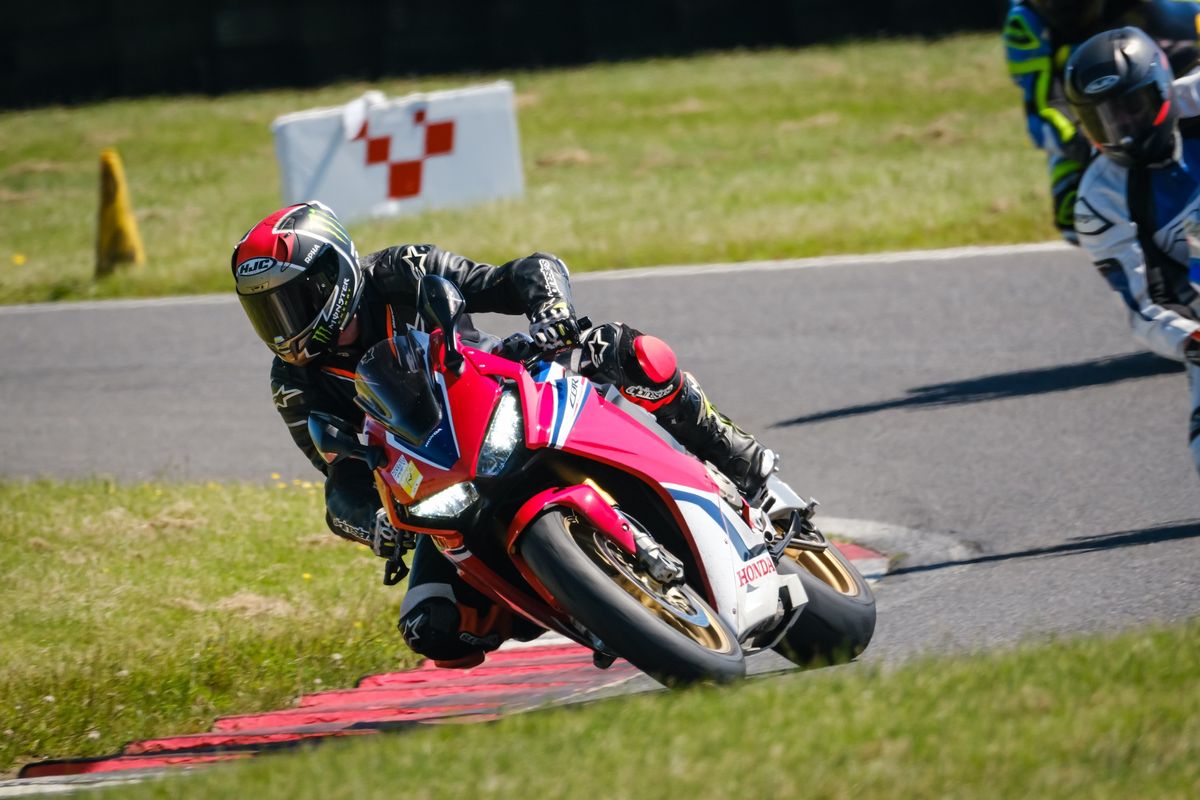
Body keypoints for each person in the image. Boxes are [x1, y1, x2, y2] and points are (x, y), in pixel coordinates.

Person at [231, 201, 778, 666]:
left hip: (510, 390)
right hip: (441, 477)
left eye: (294, 300)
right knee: (434, 628)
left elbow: (514, 276)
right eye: (266, 311)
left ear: (336, 274)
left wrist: (552, 311)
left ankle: (731, 452)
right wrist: (371, 523)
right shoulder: (294, 382)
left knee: (627, 352)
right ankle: (581, 600)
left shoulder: (400, 271)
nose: (283, 322)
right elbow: (339, 477)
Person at [1065, 26, 1200, 474]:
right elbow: (1145, 303)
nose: (1123, 128)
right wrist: (1189, 338)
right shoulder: (1098, 199)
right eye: (1105, 119)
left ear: (1162, 90)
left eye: (1132, 109)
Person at [1003, 0, 1200, 243]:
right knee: (1073, 213)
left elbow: (1190, 26)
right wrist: (1082, 141)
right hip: (1085, 120)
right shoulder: (1023, 23)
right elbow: (1043, 104)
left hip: (1153, 97)